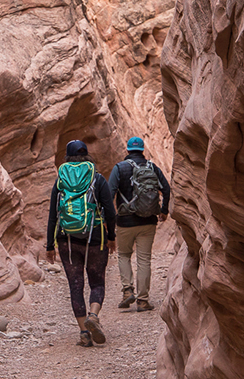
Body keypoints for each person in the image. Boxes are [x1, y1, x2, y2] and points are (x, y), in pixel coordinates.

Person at [45, 140, 117, 347]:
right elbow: (110, 212)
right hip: (95, 238)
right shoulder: (97, 179)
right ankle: (93, 316)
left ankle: (84, 333)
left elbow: (52, 215)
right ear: (87, 155)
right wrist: (111, 236)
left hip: (66, 239)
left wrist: (50, 245)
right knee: (97, 282)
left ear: (66, 157)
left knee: (75, 286)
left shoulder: (60, 182)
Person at [107, 136, 170, 312]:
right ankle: (143, 300)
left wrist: (110, 221)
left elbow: (109, 193)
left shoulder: (120, 168)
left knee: (124, 255)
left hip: (125, 222)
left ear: (127, 150)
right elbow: (166, 188)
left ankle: (127, 291)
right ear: (142, 150)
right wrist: (163, 211)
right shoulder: (152, 167)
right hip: (148, 222)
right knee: (144, 260)